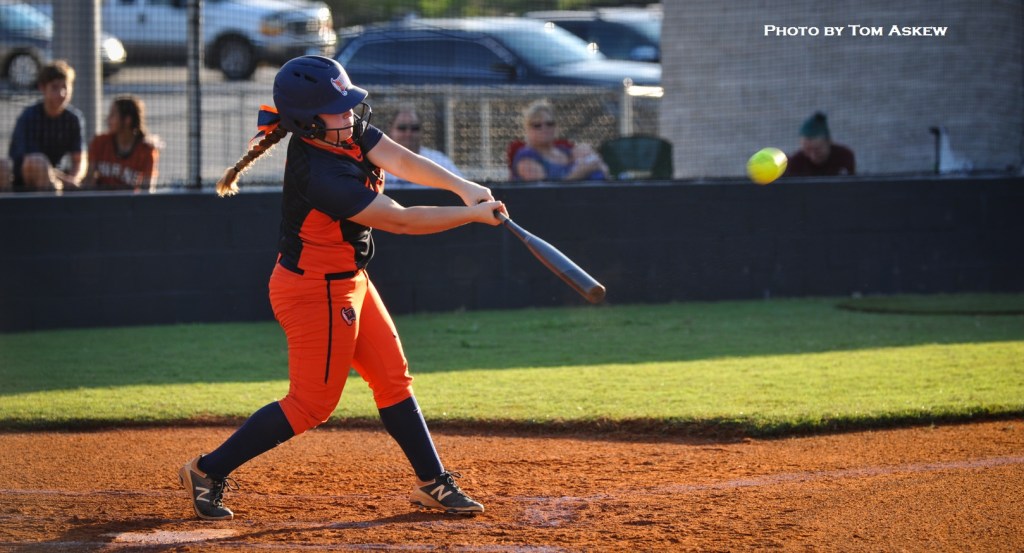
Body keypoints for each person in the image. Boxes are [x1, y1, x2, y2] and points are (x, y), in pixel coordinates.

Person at [178, 55, 506, 521]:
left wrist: (464, 187)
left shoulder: (346, 135)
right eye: (337, 107)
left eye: (348, 102)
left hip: (349, 280)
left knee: (393, 379)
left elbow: (399, 156)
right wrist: (470, 215)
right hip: (314, 291)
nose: (349, 114)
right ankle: (206, 471)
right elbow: (400, 219)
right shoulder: (322, 176)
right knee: (311, 404)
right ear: (308, 122)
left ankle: (433, 482)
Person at [3, 60, 87, 192]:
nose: (61, 93)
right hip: (22, 180)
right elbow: (30, 161)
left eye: (65, 87)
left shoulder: (73, 119)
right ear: (42, 88)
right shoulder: (29, 117)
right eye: (55, 87)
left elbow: (79, 160)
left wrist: (75, 179)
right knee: (35, 162)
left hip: (56, 181)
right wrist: (65, 180)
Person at [510, 99, 607, 182]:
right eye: (537, 125)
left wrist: (596, 164)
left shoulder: (566, 150)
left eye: (550, 123)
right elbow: (545, 192)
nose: (544, 128)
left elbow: (603, 169)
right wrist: (580, 172)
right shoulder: (526, 156)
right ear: (527, 129)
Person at [87, 95, 160, 192]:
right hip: (100, 202)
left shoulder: (146, 150)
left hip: (130, 204)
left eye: (112, 114)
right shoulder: (99, 143)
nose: (108, 119)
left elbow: (148, 190)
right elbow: (88, 181)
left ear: (127, 120)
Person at [383, 104, 462, 187]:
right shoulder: (379, 161)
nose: (408, 133)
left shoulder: (439, 161)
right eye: (402, 128)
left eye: (415, 128)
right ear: (391, 130)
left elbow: (461, 187)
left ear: (422, 131)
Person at [784, 111, 856, 177]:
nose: (813, 155)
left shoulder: (844, 157)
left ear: (828, 142)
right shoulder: (796, 162)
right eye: (807, 150)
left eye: (817, 150)